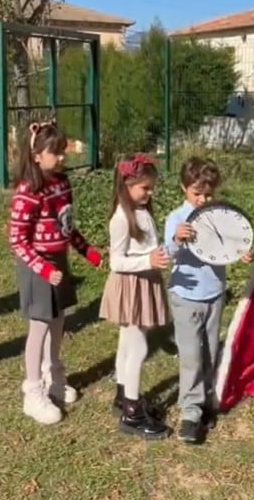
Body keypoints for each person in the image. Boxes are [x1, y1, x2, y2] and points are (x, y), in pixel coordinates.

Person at [8, 117, 102, 425]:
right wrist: (44, 269)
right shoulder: (27, 192)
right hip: (38, 266)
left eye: (63, 150)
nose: (62, 157)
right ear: (36, 155)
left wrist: (85, 250)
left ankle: (54, 374)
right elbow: (17, 240)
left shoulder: (62, 184)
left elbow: (67, 225)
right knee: (39, 326)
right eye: (55, 152)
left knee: (59, 319)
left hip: (58, 262)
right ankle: (32, 391)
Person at [164, 157, 251, 444]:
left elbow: (228, 244)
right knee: (190, 356)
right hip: (185, 298)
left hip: (214, 294)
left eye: (208, 194)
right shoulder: (176, 219)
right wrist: (176, 240)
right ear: (183, 188)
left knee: (210, 351)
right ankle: (190, 413)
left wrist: (241, 251)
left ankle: (207, 402)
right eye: (196, 193)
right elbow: (166, 256)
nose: (202, 199)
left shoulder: (219, 215)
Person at [99, 154, 171, 439]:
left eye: (152, 187)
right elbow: (116, 262)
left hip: (144, 281)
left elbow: (147, 246)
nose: (150, 193)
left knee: (127, 343)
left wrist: (162, 251)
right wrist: (148, 262)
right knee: (138, 347)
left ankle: (123, 395)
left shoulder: (142, 211)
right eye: (145, 188)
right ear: (127, 185)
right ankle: (132, 412)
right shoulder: (121, 218)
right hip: (131, 285)